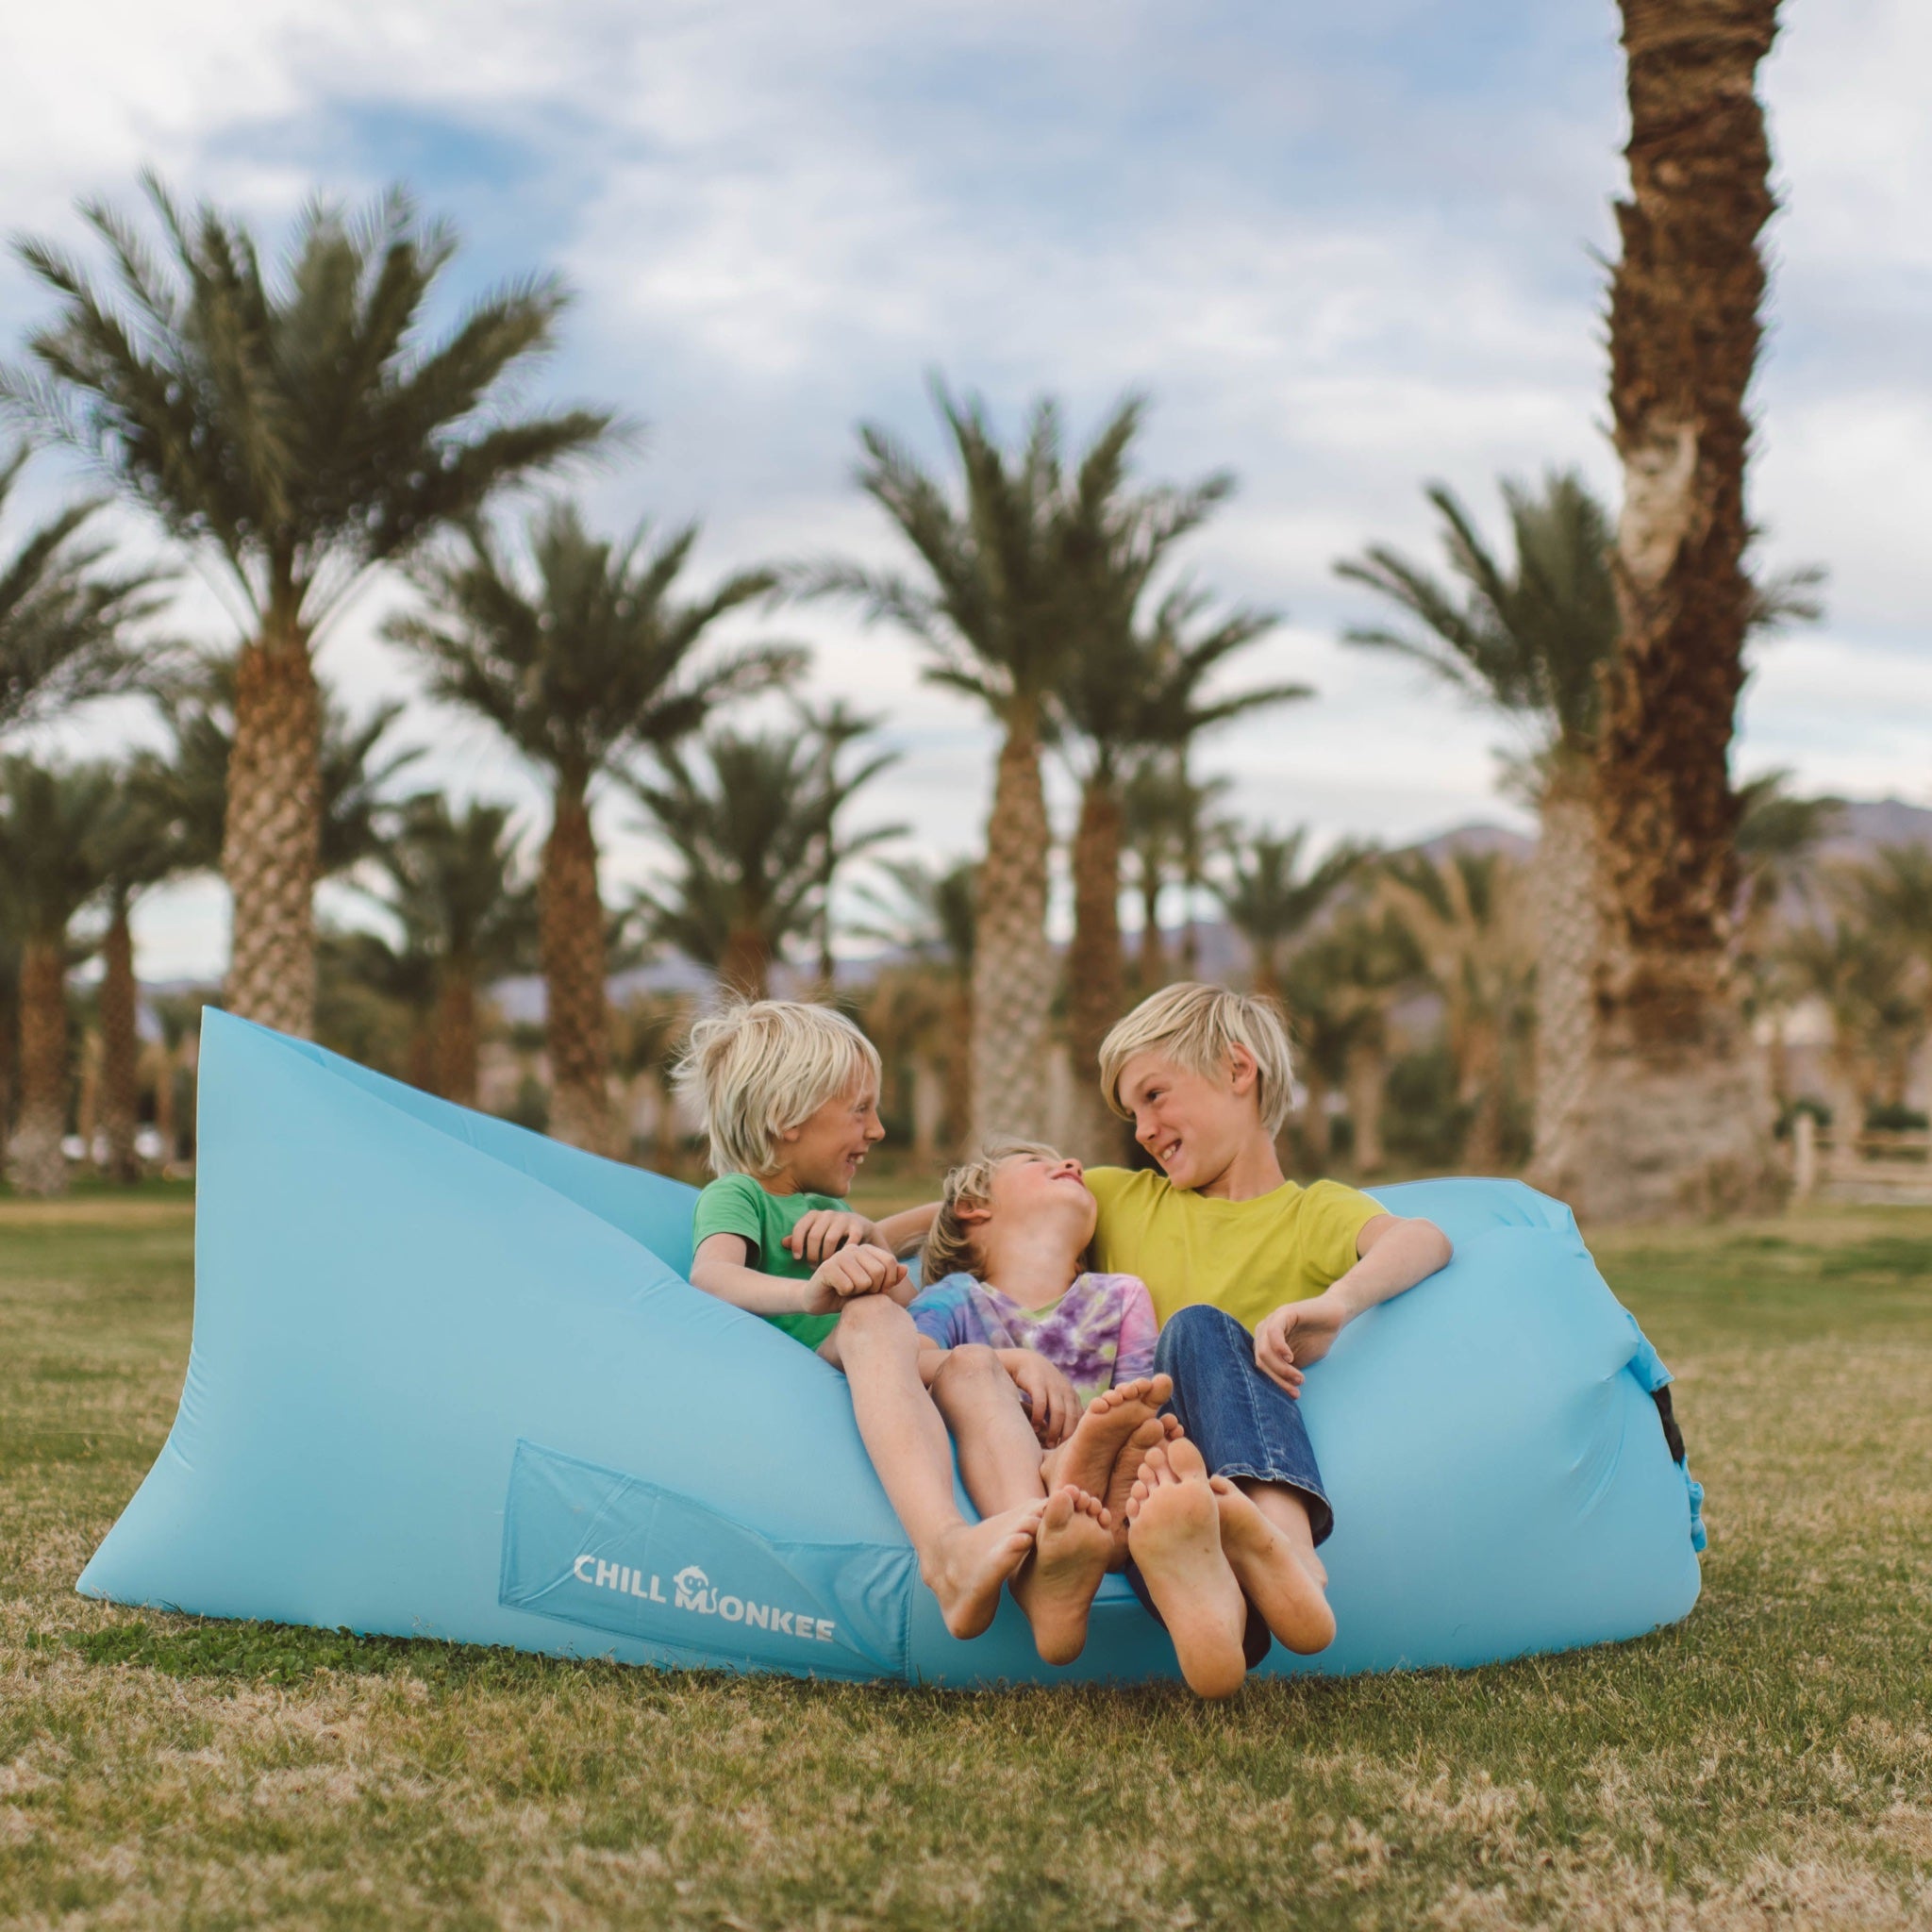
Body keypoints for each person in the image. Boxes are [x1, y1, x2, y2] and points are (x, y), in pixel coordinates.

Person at [678, 1000, 1158, 1660]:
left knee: (973, 1365)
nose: (877, 1130)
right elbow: (711, 1278)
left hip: (879, 1362)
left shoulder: (831, 1209)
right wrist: (812, 1293)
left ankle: (1041, 1561)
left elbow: (912, 1308)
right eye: (859, 1110)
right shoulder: (738, 1196)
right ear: (786, 1118)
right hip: (815, 1367)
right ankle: (944, 1550)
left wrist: (883, 1247)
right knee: (871, 1315)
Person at [1089, 981, 1455, 1698]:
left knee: (1197, 1328)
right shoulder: (1120, 1199)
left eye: (1154, 1096)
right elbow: (992, 1204)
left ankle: (1268, 1552)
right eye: (1131, 1113)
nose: (1142, 1130)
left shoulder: (1310, 1213)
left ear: (1237, 1069)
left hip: (1238, 1462)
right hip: (1152, 1472)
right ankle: (1227, 1607)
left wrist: (1336, 1303)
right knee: (1153, 1467)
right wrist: (873, 1238)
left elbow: (1423, 1239)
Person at [908, 1141, 1184, 1660]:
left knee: (1139, 1424)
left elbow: (1138, 1400)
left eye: (1068, 1160)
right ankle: (1059, 1529)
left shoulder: (1121, 1295)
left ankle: (1094, 1522)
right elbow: (906, 1362)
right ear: (973, 1207)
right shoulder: (957, 1296)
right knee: (971, 1370)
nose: (1074, 1163)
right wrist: (1013, 1361)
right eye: (1039, 1163)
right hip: (998, 1462)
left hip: (1092, 1468)